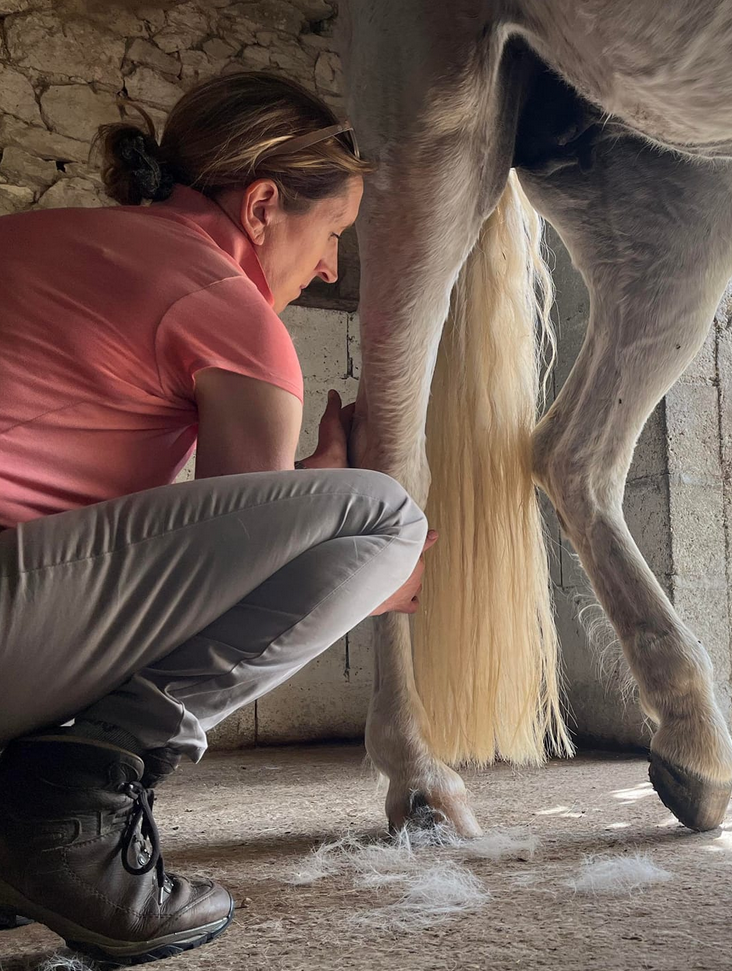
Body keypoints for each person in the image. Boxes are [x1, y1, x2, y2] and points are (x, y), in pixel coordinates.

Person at [0, 71, 429, 964]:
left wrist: (304, 495)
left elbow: (196, 530)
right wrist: (371, 569)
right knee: (385, 520)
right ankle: (68, 811)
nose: (328, 269)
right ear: (264, 203)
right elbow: (248, 575)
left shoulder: (39, 235)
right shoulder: (226, 309)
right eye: (333, 233)